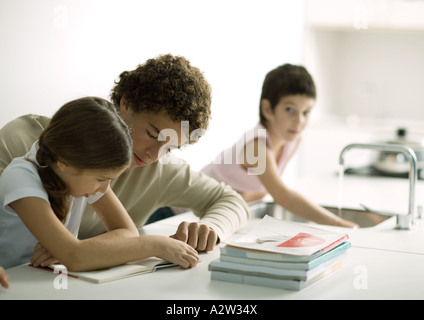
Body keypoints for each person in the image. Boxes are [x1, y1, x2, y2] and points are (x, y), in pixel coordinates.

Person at [0, 54, 249, 260]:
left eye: (170, 147)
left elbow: (229, 200)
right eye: (152, 134)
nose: (154, 155)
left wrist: (211, 229)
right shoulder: (23, 142)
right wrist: (74, 252)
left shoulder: (161, 169)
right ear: (126, 104)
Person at [0, 97, 199, 270]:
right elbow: (75, 258)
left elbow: (128, 232)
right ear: (64, 164)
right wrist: (155, 245)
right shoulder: (21, 179)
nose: (105, 189)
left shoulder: (79, 173)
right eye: (102, 179)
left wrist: (73, 250)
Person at [201, 64, 357, 228]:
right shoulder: (256, 146)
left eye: (306, 112)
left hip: (214, 210)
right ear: (267, 109)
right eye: (290, 109)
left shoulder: (292, 140)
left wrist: (244, 196)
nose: (299, 121)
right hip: (182, 210)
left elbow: (268, 190)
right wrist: (337, 223)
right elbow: (282, 196)